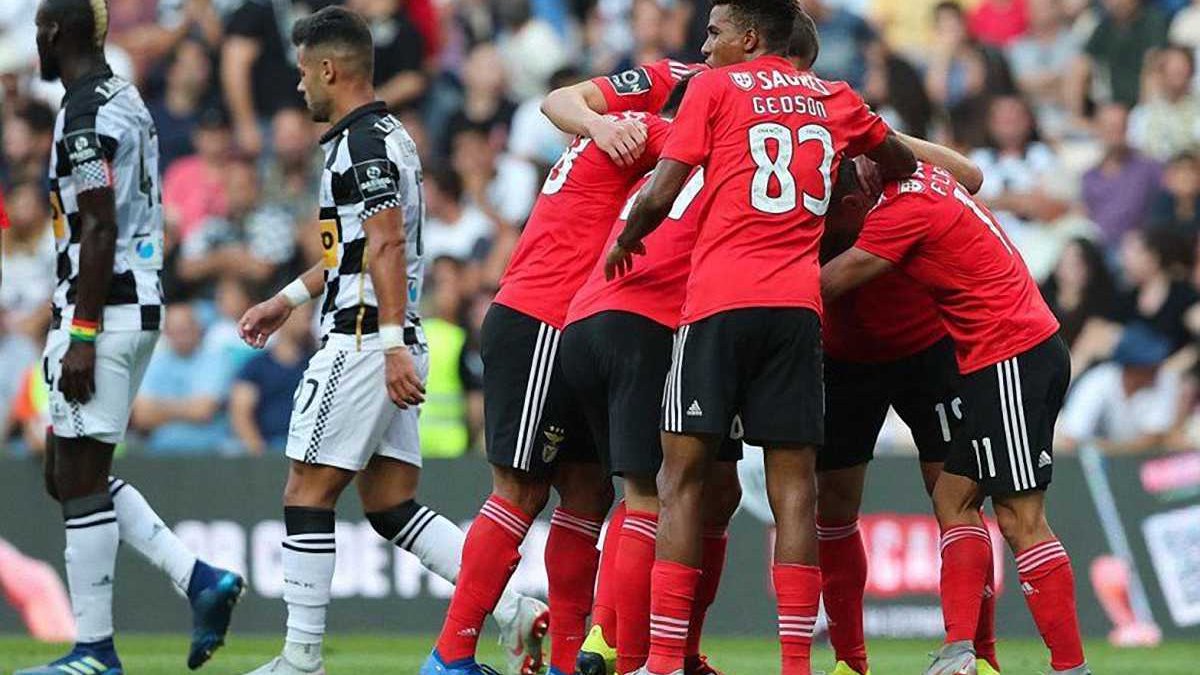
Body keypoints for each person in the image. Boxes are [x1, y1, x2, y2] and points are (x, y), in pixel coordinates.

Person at [605, 1, 915, 673]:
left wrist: (627, 238)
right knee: (795, 488)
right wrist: (865, 169)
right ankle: (796, 665)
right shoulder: (836, 96)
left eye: (715, 31)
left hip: (718, 304)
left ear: (749, 37)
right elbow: (898, 160)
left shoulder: (714, 88)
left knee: (681, 477)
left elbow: (662, 191)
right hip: (797, 310)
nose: (705, 44)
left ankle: (664, 661)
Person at [236, 9, 547, 675]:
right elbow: (352, 250)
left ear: (329, 69)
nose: (299, 86)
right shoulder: (389, 137)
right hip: (389, 335)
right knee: (389, 503)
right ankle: (512, 607)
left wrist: (388, 345)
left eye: (303, 73)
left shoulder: (362, 146)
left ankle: (301, 659)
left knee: (305, 491)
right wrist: (286, 300)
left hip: (363, 340)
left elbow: (386, 243)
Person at [16, 2, 243, 674]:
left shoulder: (87, 115)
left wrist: (82, 331)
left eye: (39, 32)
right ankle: (199, 578)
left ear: (56, 34)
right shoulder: (124, 96)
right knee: (66, 471)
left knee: (78, 477)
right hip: (126, 301)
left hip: (103, 308)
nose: (37, 43)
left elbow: (99, 224)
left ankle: (95, 651)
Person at [419, 58, 665, 675]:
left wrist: (595, 122)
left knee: (588, 494)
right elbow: (559, 100)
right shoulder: (656, 121)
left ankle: (563, 662)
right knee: (520, 492)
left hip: (581, 323)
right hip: (542, 317)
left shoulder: (631, 116)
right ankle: (450, 655)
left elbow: (562, 101)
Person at [820, 161, 1089, 675]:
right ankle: (959, 649)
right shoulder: (924, 176)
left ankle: (1070, 667)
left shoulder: (901, 213)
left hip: (1009, 354)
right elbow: (960, 170)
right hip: (998, 355)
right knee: (954, 496)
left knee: (1021, 518)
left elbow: (827, 284)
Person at [817, 155, 999, 675]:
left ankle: (979, 656)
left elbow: (971, 176)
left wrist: (881, 139)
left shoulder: (889, 175)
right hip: (843, 361)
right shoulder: (802, 186)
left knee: (957, 499)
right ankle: (849, 663)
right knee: (833, 510)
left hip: (928, 352)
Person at [1057, 323, 1182, 453]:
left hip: (1142, 460)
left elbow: (1154, 439)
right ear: (1131, 368)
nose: (1156, 369)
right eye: (1150, 365)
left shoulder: (1166, 379)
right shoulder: (1100, 380)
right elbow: (1071, 438)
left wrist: (1104, 447)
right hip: (1094, 460)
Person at [130, 303, 230, 455]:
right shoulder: (154, 360)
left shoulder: (216, 358)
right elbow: (142, 416)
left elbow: (203, 411)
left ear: (198, 328)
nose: (181, 336)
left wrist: (159, 408)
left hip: (211, 450)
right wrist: (189, 407)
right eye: (175, 331)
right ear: (166, 333)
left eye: (185, 330)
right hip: (160, 449)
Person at [231, 305, 314, 455]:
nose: (307, 324)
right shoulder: (256, 366)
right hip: (269, 448)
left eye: (309, 317)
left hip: (307, 450)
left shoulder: (315, 364)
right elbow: (240, 413)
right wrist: (259, 452)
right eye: (304, 317)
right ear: (286, 319)